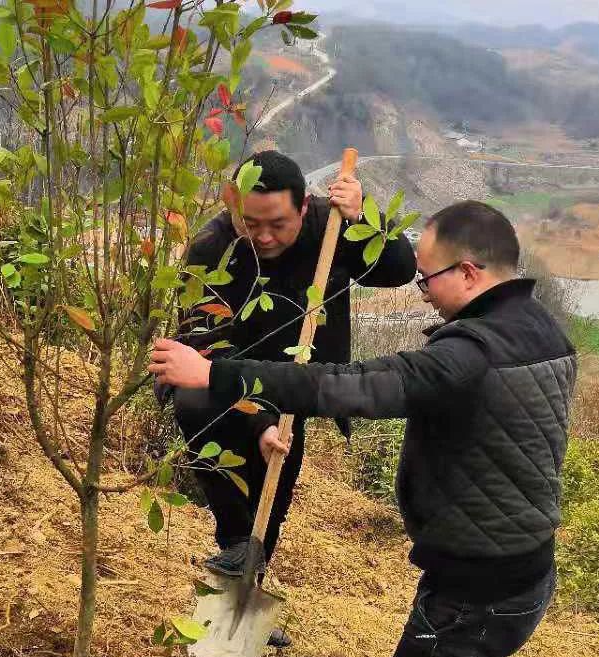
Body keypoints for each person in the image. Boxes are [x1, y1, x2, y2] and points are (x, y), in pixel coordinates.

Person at [149, 200, 576, 657]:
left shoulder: (468, 354)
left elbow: (356, 386)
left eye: (427, 279)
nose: (422, 291)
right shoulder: (540, 328)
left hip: (472, 591)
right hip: (526, 572)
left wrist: (214, 374)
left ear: (467, 272)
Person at [162, 150, 415, 594]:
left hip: (296, 382)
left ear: (303, 206)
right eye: (250, 222)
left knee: (274, 485)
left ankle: (248, 579)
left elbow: (399, 270)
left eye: (277, 224)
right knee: (195, 403)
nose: (263, 236)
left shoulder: (331, 226)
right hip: (223, 383)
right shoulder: (211, 249)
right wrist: (258, 420)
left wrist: (365, 216)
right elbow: (203, 350)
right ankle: (237, 546)